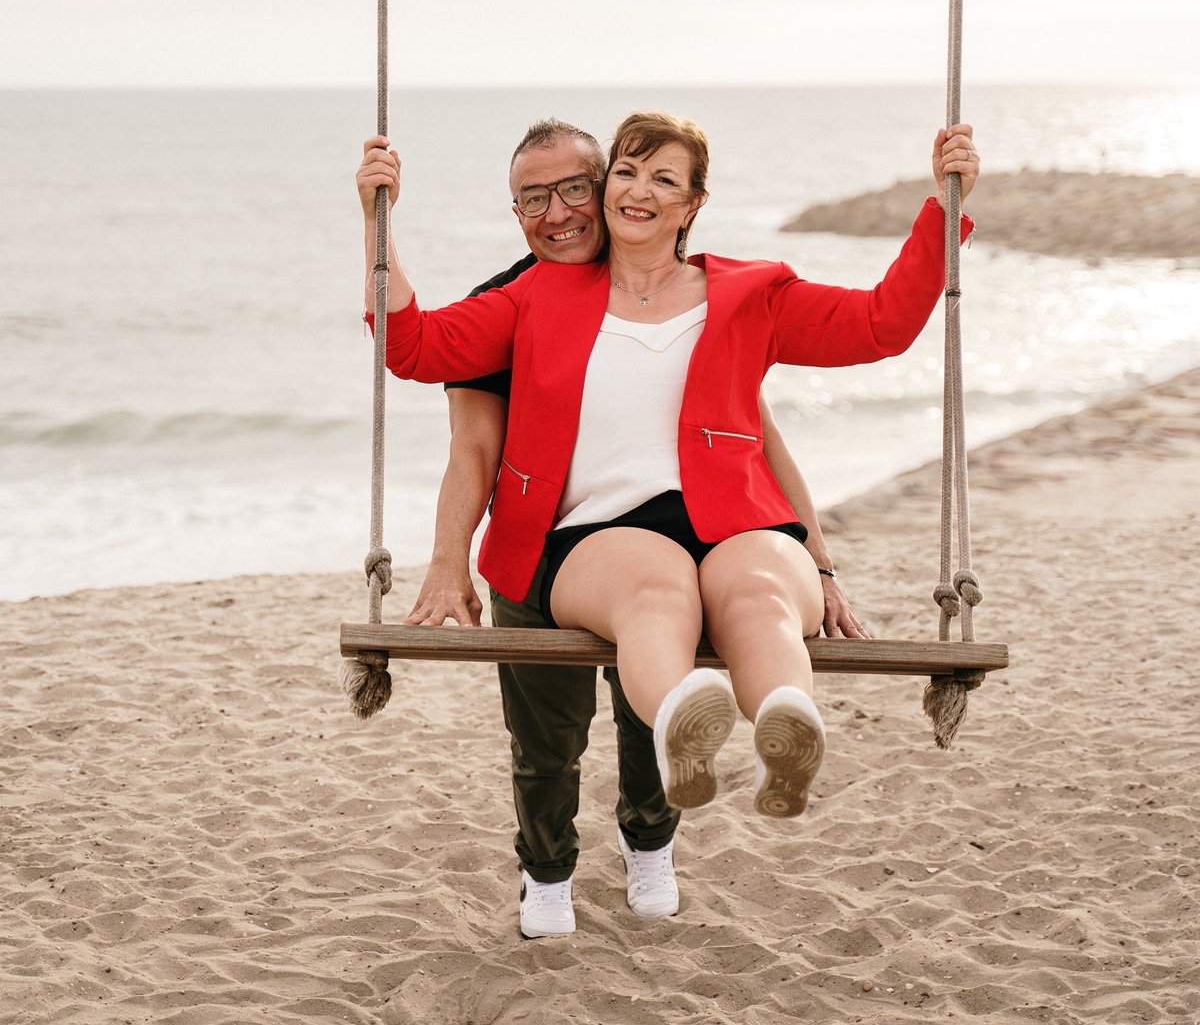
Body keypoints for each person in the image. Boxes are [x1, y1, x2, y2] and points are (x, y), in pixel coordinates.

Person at [360, 110, 978, 903]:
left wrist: (941, 202)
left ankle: (788, 726)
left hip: (738, 524)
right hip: (599, 535)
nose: (637, 191)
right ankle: (687, 715)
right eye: (628, 172)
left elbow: (881, 324)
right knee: (655, 592)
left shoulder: (752, 291)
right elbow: (414, 350)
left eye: (664, 180)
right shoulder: (534, 296)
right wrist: (378, 224)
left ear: (693, 204)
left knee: (758, 595)